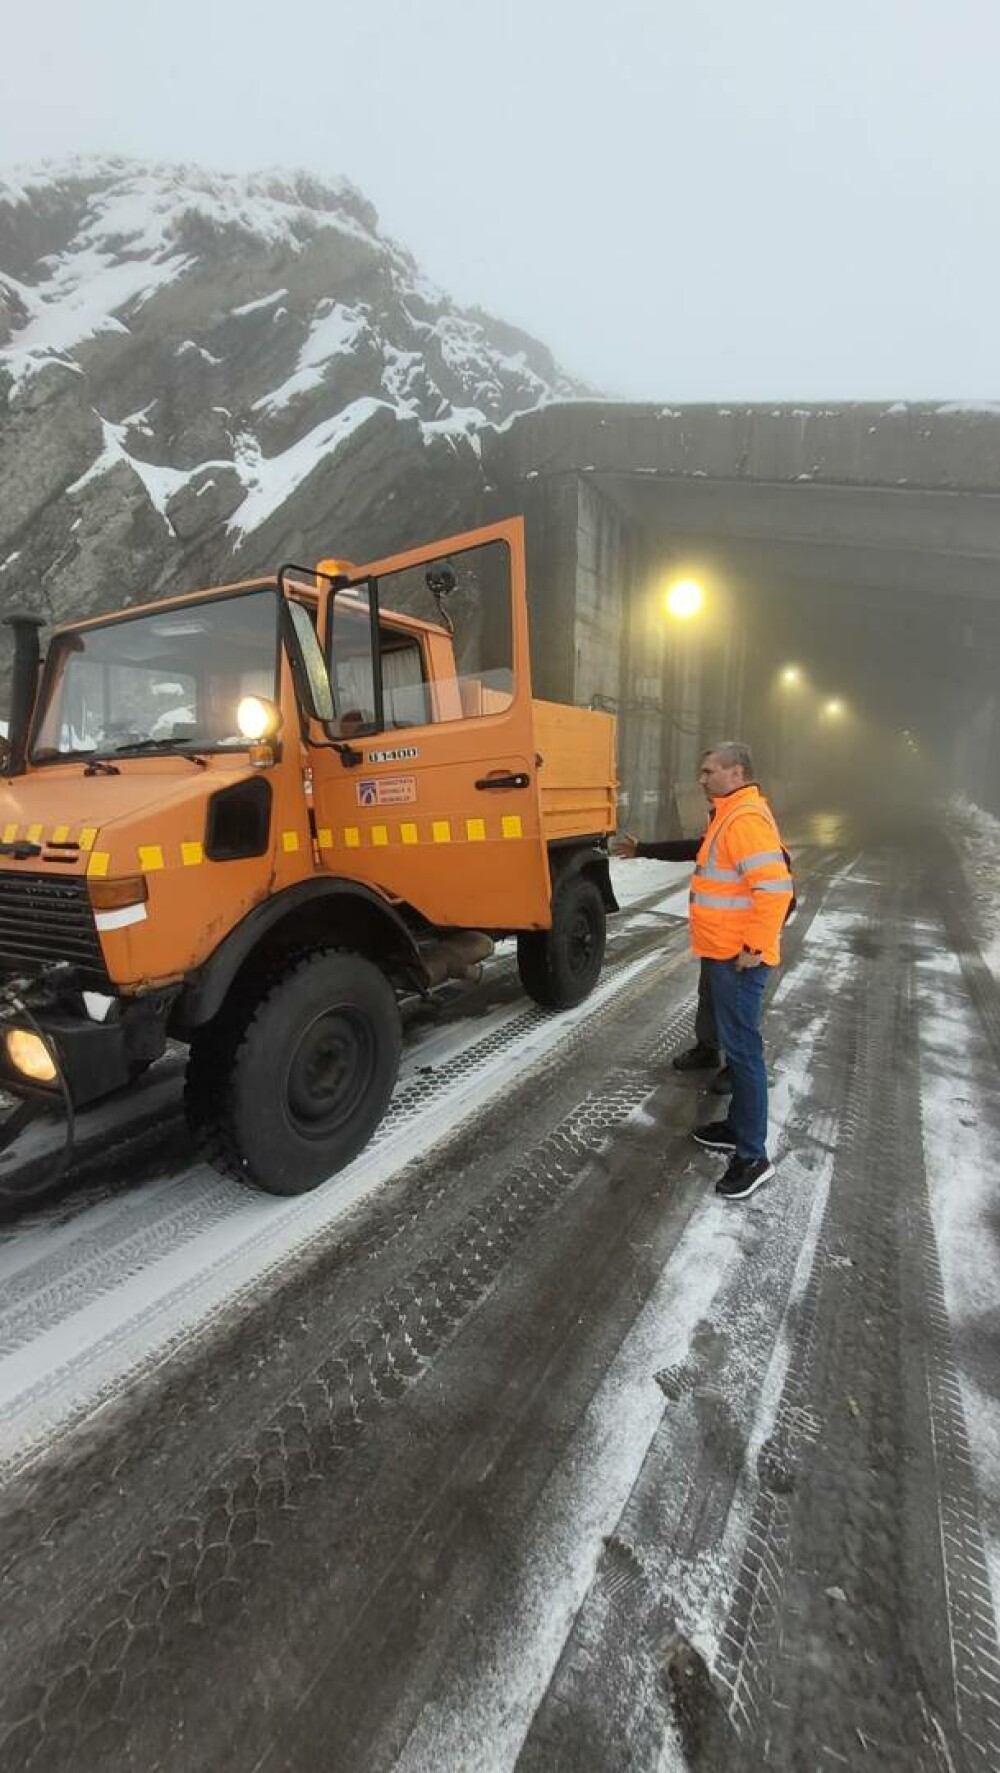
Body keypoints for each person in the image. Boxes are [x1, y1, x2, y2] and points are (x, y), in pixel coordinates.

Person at [614, 743, 794, 1200]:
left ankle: (752, 1156)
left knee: (744, 1054)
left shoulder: (746, 819)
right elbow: (706, 857)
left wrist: (754, 947)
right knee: (737, 1049)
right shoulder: (729, 813)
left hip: (739, 957)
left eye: (708, 770)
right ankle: (737, 1127)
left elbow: (775, 890)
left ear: (736, 773)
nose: (701, 778)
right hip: (724, 953)